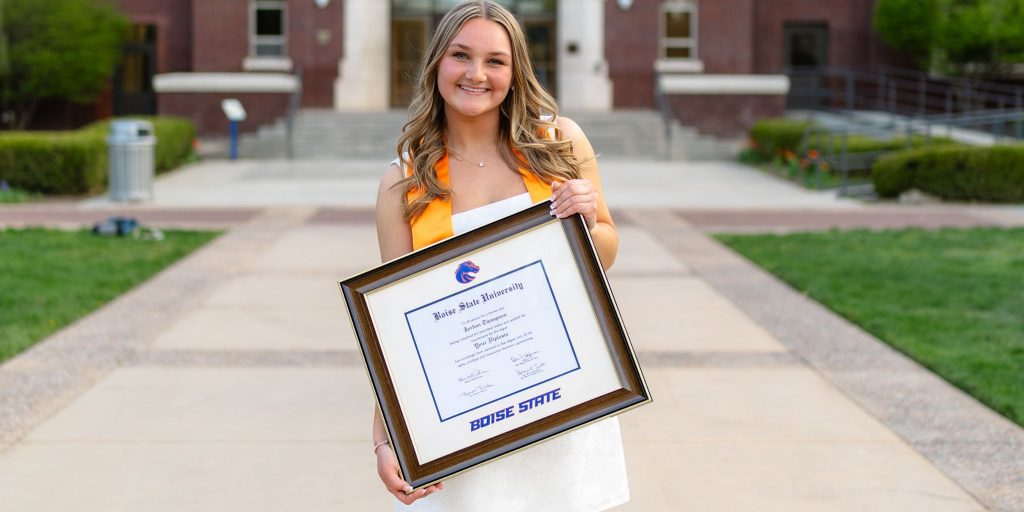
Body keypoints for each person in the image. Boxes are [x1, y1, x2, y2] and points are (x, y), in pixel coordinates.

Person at [373, 1, 626, 509]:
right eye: (460, 55)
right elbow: (392, 326)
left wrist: (584, 223)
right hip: (467, 419)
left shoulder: (557, 142)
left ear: (516, 72)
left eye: (495, 61)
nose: (476, 74)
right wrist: (385, 438)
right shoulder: (405, 181)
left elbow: (607, 250)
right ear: (437, 64)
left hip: (561, 401)